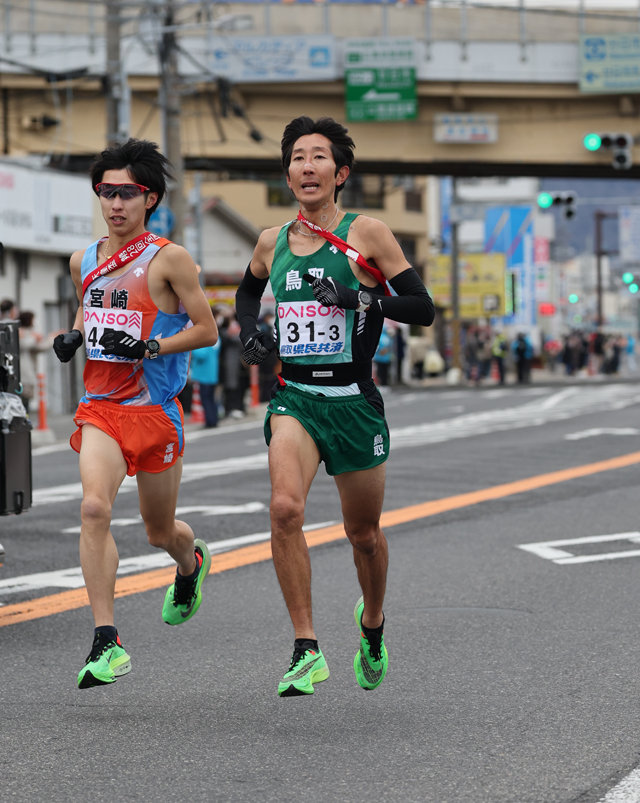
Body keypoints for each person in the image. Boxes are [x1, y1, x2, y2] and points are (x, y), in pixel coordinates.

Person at [235, 116, 435, 697]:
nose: (306, 166)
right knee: (284, 510)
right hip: (295, 395)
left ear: (340, 173)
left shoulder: (366, 232)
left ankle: (372, 623)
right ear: (288, 173)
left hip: (353, 401)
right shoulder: (272, 241)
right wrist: (252, 332)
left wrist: (358, 297)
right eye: (297, 157)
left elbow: (421, 307)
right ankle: (306, 646)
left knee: (363, 534)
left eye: (318, 156)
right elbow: (248, 291)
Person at [52, 138, 218, 690]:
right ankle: (106, 641)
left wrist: (148, 348)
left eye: (126, 193)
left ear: (149, 198)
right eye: (106, 192)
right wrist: (77, 334)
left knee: (157, 530)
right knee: (94, 509)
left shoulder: (169, 258)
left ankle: (189, 562)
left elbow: (206, 330)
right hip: (101, 408)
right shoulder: (85, 258)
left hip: (154, 411)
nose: (115, 203)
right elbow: (93, 299)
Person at [17, 310, 56, 415]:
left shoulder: (29, 333)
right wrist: (34, 338)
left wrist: (52, 338)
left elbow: (40, 347)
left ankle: (25, 425)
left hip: (26, 376)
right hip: (23, 375)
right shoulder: (20, 332)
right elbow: (24, 344)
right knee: (22, 404)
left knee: (25, 405)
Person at [189, 339, 221, 428]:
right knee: (211, 399)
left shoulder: (207, 339)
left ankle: (210, 421)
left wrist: (191, 348)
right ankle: (214, 419)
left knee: (206, 399)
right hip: (212, 373)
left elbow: (202, 355)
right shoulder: (217, 338)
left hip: (204, 375)